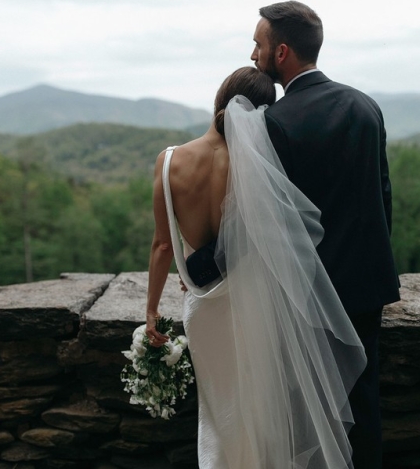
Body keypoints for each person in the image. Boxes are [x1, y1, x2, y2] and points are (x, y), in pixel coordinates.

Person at [144, 66, 367, 468]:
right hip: (253, 304)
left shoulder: (169, 161)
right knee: (260, 412)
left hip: (203, 309)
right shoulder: (254, 171)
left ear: (219, 97)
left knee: (217, 413)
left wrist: (151, 310)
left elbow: (162, 245)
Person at [251, 2, 401, 468]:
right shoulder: (365, 104)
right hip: (367, 284)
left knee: (313, 412)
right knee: (364, 403)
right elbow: (382, 196)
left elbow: (271, 223)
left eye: (258, 44)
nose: (252, 53)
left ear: (281, 52)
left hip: (312, 295)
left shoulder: (277, 122)